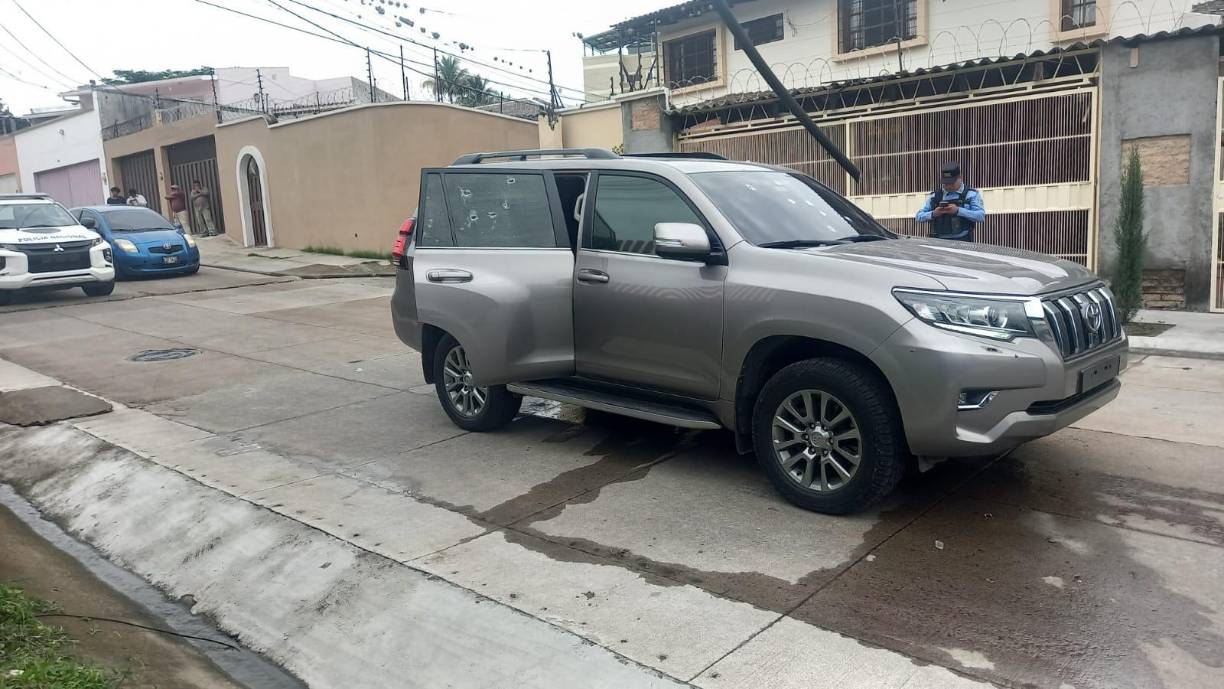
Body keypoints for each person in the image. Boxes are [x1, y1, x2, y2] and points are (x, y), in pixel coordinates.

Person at [915, 162, 985, 242]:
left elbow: (981, 216)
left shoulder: (971, 194)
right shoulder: (935, 196)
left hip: (963, 242)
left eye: (951, 183)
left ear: (960, 177)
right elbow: (918, 217)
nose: (948, 186)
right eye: (945, 183)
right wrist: (934, 213)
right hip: (938, 242)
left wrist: (958, 211)